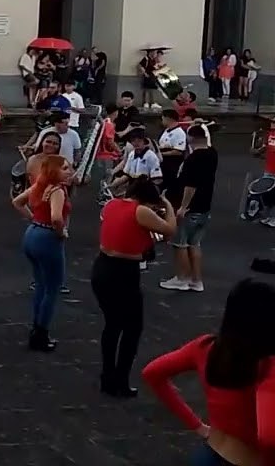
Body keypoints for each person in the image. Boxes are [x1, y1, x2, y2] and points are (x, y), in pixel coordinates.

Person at [144, 279, 275, 466]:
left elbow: (152, 372)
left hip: (208, 455)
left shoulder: (206, 347)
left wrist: (195, 425)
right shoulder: (268, 365)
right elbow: (269, 437)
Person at [91, 177, 176, 398]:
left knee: (112, 325)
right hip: (124, 271)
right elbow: (169, 230)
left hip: (102, 266)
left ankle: (107, 376)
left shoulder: (112, 205)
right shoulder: (141, 211)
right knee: (132, 328)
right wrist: (167, 206)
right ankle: (121, 379)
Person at [13, 154, 72, 352]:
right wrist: (60, 231)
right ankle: (41, 332)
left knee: (40, 284)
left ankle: (36, 327)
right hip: (47, 237)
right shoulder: (57, 190)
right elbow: (56, 217)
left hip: (32, 234)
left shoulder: (39, 186)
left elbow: (17, 202)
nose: (69, 171)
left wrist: (33, 219)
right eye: (64, 168)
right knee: (52, 287)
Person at [162, 126, 217, 293]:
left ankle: (182, 279)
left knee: (180, 244)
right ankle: (196, 280)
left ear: (190, 138)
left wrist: (183, 207)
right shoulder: (212, 153)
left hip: (190, 209)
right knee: (195, 244)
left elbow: (190, 186)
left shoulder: (194, 159)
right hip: (204, 207)